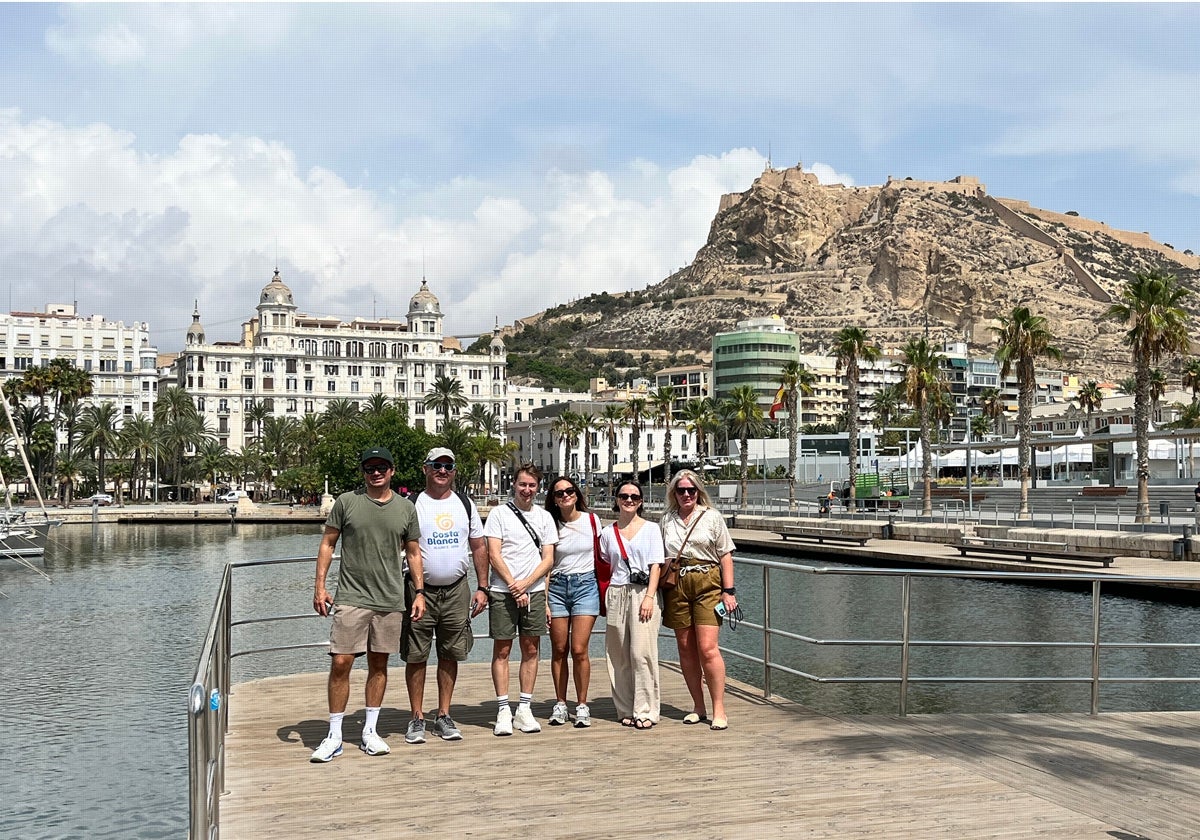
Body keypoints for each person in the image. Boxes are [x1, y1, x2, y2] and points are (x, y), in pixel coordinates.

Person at [310, 446, 423, 762]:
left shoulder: (405, 509)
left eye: (382, 467)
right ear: (363, 471)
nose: (376, 472)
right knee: (341, 662)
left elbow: (413, 553)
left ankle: (370, 731)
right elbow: (328, 544)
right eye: (370, 467)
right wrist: (320, 587)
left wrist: (420, 592)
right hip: (350, 596)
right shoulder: (347, 502)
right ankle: (334, 736)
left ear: (392, 470)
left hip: (389, 599)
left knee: (379, 663)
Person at [401, 447, 489, 744]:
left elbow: (478, 546)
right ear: (425, 469)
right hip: (418, 591)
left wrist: (483, 587)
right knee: (416, 654)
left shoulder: (465, 504)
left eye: (448, 466)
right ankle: (416, 717)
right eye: (436, 465)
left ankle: (443, 714)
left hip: (457, 590)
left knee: (451, 652)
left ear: (454, 471)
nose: (442, 471)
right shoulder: (411, 504)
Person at [483, 462, 558, 736]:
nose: (527, 490)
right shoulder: (499, 514)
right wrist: (514, 586)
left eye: (532, 485)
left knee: (531, 648)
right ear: (513, 484)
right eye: (522, 484)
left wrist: (526, 584)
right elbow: (494, 554)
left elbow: (548, 558)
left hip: (534, 591)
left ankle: (524, 708)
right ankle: (503, 708)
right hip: (503, 591)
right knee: (502, 649)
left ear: (538, 488)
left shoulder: (545, 518)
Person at [660, 469, 738, 731]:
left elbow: (726, 555)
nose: (686, 494)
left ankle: (719, 709)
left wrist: (729, 591)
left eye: (690, 490)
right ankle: (698, 706)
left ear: (698, 492)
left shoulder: (712, 517)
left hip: (708, 583)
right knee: (685, 648)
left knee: (707, 647)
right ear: (674, 493)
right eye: (681, 490)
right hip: (677, 585)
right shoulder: (667, 520)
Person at [599, 479, 663, 729]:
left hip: (642, 593)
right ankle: (625, 707)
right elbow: (605, 564)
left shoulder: (651, 529)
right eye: (624, 496)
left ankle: (646, 709)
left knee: (642, 653)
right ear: (616, 500)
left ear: (641, 501)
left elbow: (656, 565)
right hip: (616, 593)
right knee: (619, 654)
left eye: (634, 497)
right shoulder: (607, 533)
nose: (628, 500)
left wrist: (649, 596)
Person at [543, 475, 602, 728]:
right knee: (559, 649)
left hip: (586, 585)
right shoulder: (550, 524)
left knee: (579, 649)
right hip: (556, 587)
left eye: (569, 491)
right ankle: (560, 703)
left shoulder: (592, 520)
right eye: (559, 493)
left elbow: (603, 554)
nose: (565, 495)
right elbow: (545, 563)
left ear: (576, 494)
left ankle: (582, 704)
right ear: (554, 499)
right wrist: (544, 599)